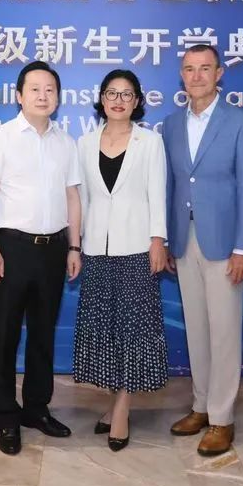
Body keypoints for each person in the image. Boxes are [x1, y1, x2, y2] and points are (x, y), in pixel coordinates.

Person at [0, 60, 82, 455]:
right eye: (35, 89)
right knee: (5, 336)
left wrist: (74, 246)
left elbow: (73, 197)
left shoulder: (66, 142)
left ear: (58, 97)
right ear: (19, 96)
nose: (43, 96)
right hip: (11, 248)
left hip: (53, 249)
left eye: (50, 89)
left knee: (42, 334)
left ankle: (37, 408)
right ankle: (6, 415)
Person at [162, 44, 243, 457]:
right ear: (181, 76)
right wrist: (168, 240)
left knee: (224, 333)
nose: (197, 76)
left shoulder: (239, 122)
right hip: (184, 241)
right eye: (189, 69)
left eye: (205, 68)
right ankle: (201, 406)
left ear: (219, 74)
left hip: (225, 244)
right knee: (197, 330)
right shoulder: (170, 124)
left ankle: (222, 417)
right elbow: (171, 185)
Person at [72, 69, 169, 452]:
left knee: (133, 330)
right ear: (101, 99)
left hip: (137, 247)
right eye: (111, 93)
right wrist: (75, 245)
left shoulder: (150, 142)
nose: (118, 100)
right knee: (106, 330)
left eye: (127, 94)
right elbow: (80, 199)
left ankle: (123, 409)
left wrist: (158, 240)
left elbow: (157, 194)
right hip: (97, 247)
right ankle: (114, 402)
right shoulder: (84, 143)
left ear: (137, 101)